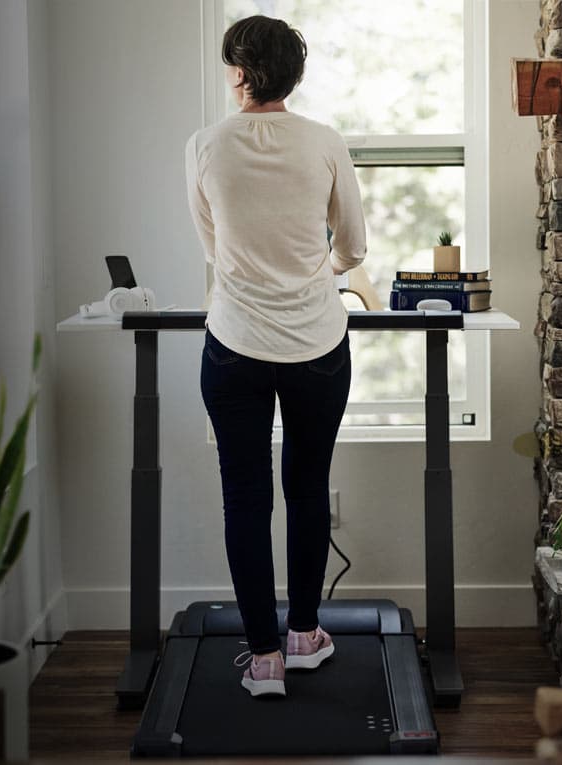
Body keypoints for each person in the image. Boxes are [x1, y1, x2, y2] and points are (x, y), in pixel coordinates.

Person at [185, 15, 367, 698]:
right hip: (316, 341)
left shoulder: (203, 144)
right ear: (292, 73)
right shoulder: (323, 142)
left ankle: (262, 657)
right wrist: (320, 268)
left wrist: (250, 270)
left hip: (233, 341)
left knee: (244, 495)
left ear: (238, 72)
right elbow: (352, 245)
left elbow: (210, 243)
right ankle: (303, 635)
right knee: (306, 487)